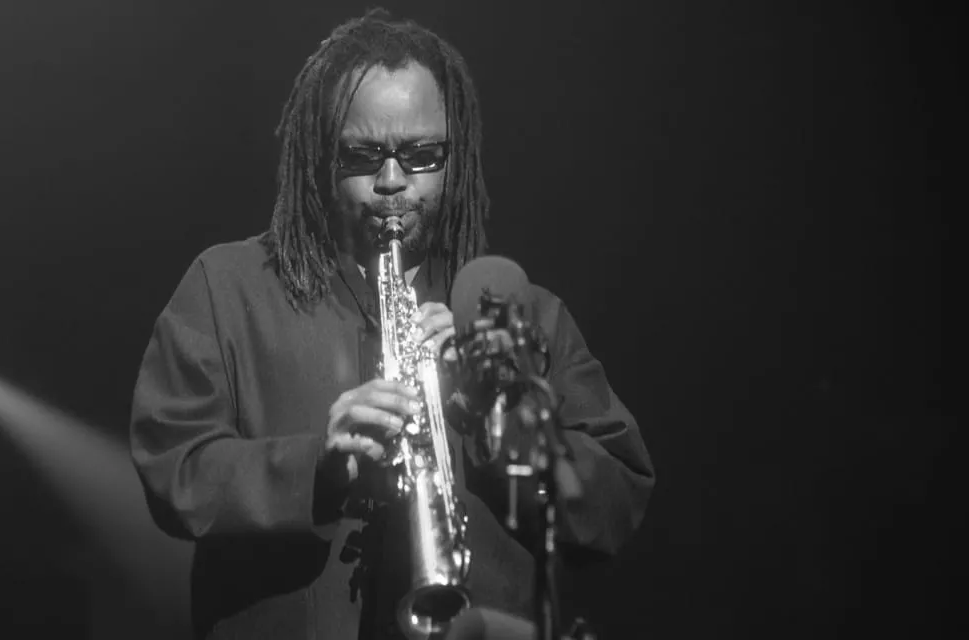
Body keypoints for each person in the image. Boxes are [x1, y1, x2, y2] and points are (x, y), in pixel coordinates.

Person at [129, 8, 654, 640]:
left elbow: (620, 499)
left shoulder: (524, 313)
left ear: (455, 158)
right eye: (363, 155)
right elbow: (173, 467)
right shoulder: (227, 285)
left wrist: (497, 417)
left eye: (422, 155)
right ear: (321, 155)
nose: (392, 181)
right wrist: (316, 468)